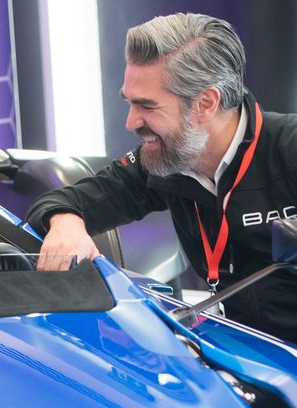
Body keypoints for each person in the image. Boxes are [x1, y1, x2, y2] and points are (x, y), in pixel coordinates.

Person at [25, 13, 297, 344]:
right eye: (128, 102)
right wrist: (65, 222)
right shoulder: (165, 160)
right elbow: (62, 200)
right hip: (247, 357)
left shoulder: (289, 148)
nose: (130, 122)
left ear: (205, 104)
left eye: (147, 106)